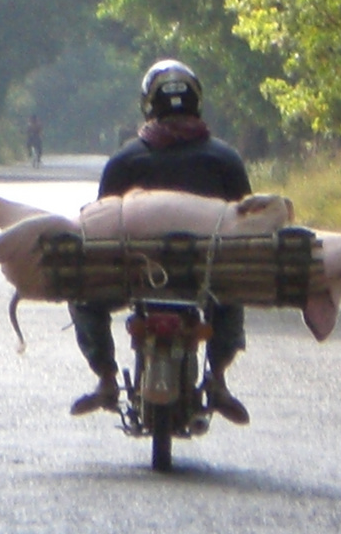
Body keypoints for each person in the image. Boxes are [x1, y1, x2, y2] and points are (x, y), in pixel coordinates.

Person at [68, 59, 253, 425]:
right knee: (230, 298)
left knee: (83, 297)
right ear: (196, 102)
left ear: (148, 105)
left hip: (134, 276)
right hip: (205, 278)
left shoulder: (125, 159)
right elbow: (245, 224)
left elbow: (104, 222)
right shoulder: (225, 159)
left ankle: (106, 379)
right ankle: (217, 380)